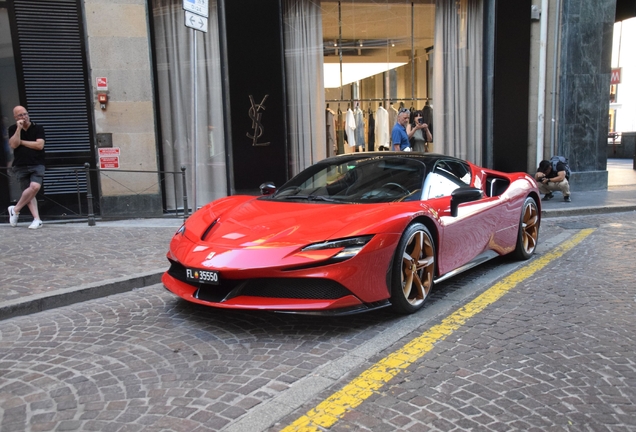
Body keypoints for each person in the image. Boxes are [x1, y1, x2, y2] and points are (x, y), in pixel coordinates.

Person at [7, 105, 46, 229]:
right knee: (28, 194)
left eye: (25, 114)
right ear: (15, 117)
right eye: (21, 115)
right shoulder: (12, 128)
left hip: (37, 163)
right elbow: (13, 144)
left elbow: (39, 145)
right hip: (20, 164)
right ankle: (37, 219)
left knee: (34, 187)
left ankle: (16, 209)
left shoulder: (38, 128)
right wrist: (18, 129)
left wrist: (21, 142)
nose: (24, 117)